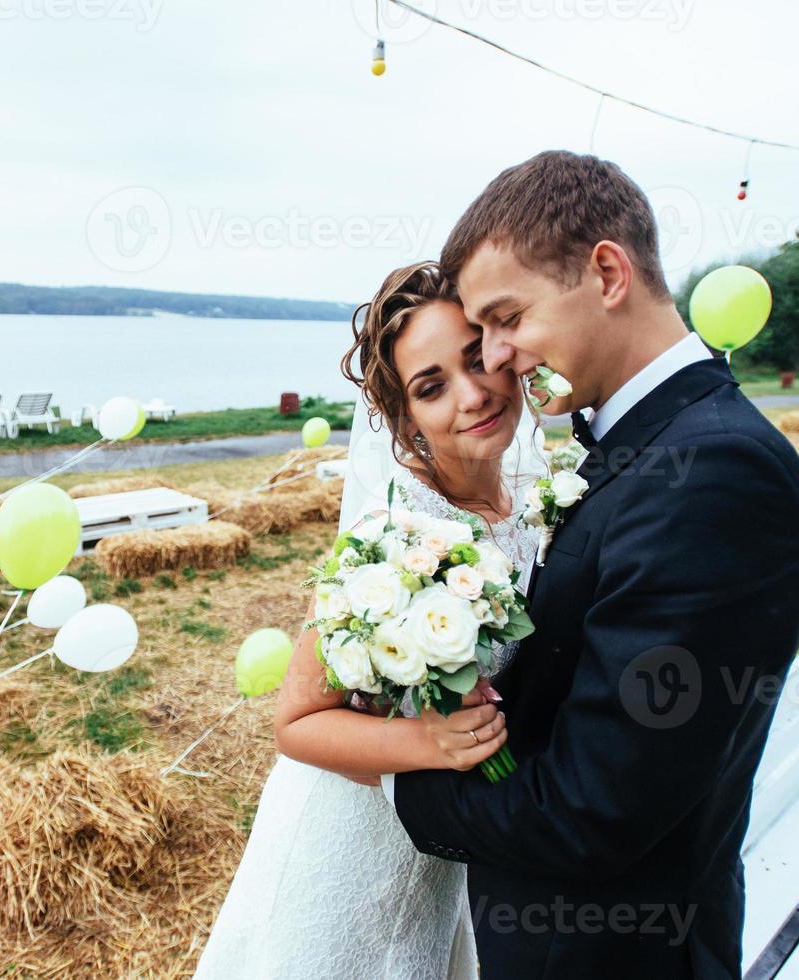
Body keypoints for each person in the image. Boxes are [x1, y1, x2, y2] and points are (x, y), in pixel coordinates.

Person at [381, 150, 799, 980]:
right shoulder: (641, 442)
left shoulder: (716, 473)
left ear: (608, 272)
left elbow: (591, 810)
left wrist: (403, 777)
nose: (500, 356)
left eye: (507, 318)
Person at [193, 261, 545, 979]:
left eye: (477, 359)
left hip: (441, 850)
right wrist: (431, 741)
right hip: (345, 847)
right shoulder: (398, 537)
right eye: (431, 386)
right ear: (405, 419)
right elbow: (295, 722)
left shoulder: (532, 502)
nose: (473, 394)